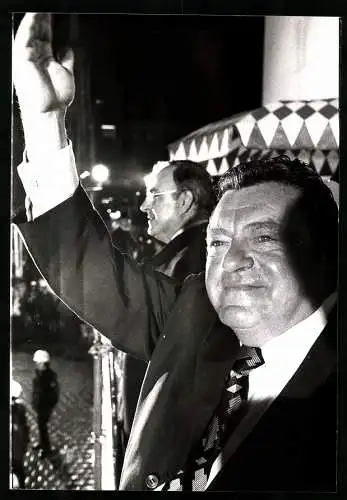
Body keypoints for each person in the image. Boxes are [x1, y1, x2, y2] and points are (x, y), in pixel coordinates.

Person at [13, 14, 337, 491]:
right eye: (218, 242)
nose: (231, 261)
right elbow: (86, 267)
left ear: (325, 253)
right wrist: (44, 121)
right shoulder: (196, 315)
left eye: (264, 237)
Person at [121, 158, 215, 450]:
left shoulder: (185, 264)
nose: (144, 206)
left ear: (185, 200)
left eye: (155, 195)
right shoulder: (191, 254)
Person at [31, 350, 59, 458]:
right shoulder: (38, 373)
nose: (36, 365)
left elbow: (54, 395)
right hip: (39, 406)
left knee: (43, 428)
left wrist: (48, 406)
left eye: (38, 363)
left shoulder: (50, 377)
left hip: (45, 408)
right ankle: (42, 444)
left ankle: (46, 449)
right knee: (40, 427)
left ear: (44, 363)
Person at [11, 380, 29, 489]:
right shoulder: (20, 408)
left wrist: (24, 445)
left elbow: (25, 429)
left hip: (16, 449)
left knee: (18, 469)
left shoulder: (20, 409)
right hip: (17, 449)